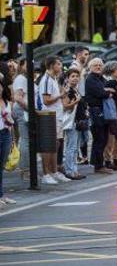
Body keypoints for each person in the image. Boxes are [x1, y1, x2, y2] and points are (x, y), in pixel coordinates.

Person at [38, 56, 68, 184]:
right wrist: (61, 95)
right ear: (51, 66)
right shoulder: (46, 80)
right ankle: (46, 173)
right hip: (49, 116)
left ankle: (54, 171)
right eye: (59, 64)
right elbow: (46, 100)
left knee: (56, 144)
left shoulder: (54, 79)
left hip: (57, 115)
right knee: (48, 145)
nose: (61, 67)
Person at [84, 58, 114, 174]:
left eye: (100, 65)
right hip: (96, 112)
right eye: (96, 65)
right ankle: (98, 165)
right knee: (100, 138)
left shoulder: (101, 78)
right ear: (90, 67)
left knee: (103, 138)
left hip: (103, 111)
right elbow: (101, 93)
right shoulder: (90, 79)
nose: (98, 67)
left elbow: (109, 88)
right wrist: (107, 92)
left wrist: (107, 90)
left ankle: (97, 163)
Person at [60, 69, 86, 180]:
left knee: (75, 147)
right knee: (71, 147)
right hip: (71, 121)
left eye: (77, 76)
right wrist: (76, 101)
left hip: (78, 121)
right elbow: (65, 106)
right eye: (72, 76)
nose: (75, 78)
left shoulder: (75, 90)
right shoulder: (67, 90)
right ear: (68, 78)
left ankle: (74, 170)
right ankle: (70, 171)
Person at [11, 58, 29, 180]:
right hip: (23, 111)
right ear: (21, 66)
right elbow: (18, 97)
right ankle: (25, 170)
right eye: (28, 64)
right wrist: (30, 109)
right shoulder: (21, 79)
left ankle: (27, 169)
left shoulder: (23, 78)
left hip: (24, 110)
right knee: (25, 140)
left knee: (26, 140)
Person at [0, 79, 16, 206]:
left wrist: (13, 138)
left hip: (6, 134)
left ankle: (1, 195)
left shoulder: (6, 101)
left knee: (1, 165)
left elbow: (11, 119)